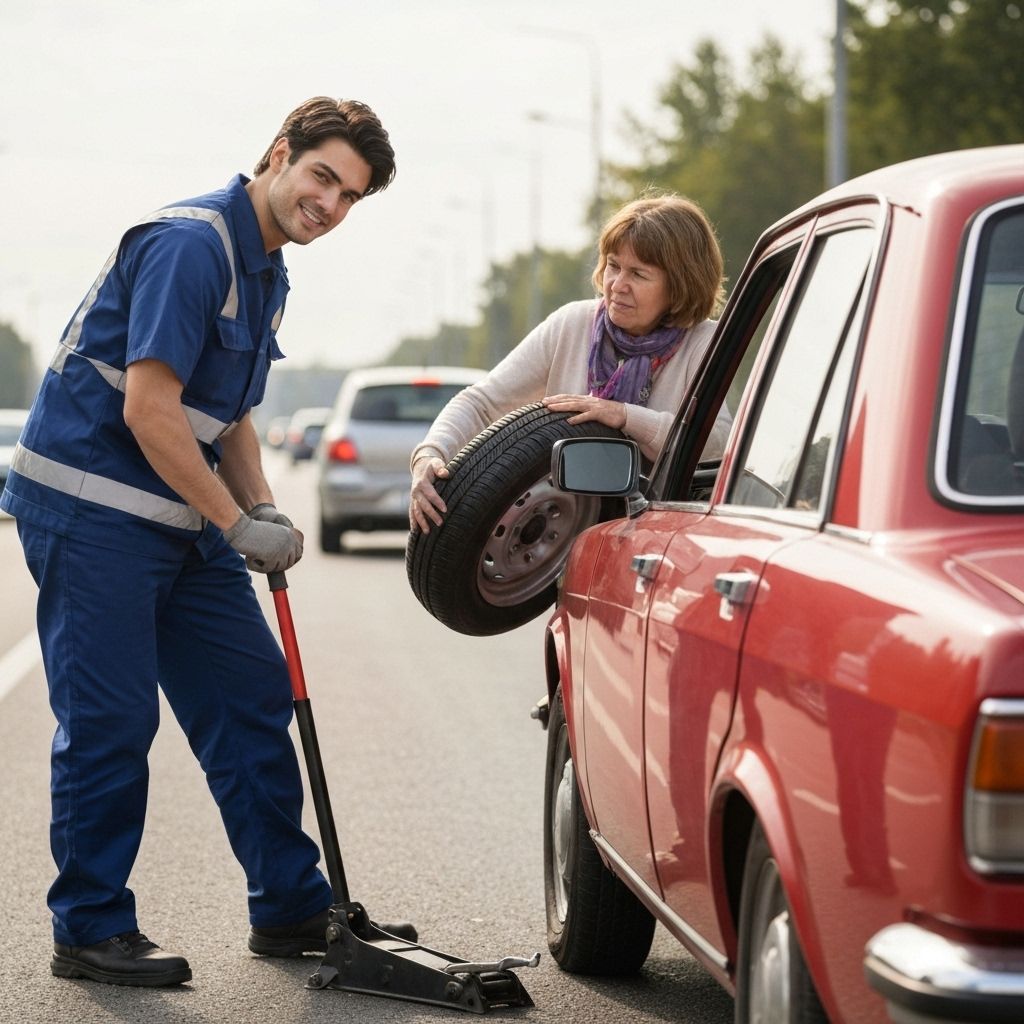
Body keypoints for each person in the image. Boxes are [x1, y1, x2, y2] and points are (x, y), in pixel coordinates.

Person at [1, 97, 397, 987]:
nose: (329, 204)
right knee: (111, 721)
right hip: (95, 512)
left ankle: (291, 907)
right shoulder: (192, 245)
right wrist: (234, 520)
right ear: (278, 154)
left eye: (350, 196)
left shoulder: (267, 267)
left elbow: (231, 410)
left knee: (251, 696)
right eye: (323, 176)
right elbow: (150, 409)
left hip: (178, 518)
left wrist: (262, 508)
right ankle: (91, 928)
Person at [409, 194, 730, 533]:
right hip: (559, 531)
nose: (617, 285)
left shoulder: (703, 341)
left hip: (656, 534)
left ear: (680, 283)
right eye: (613, 265)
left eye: (638, 273)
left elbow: (719, 441)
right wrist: (429, 454)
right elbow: (480, 403)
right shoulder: (572, 323)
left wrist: (623, 415)